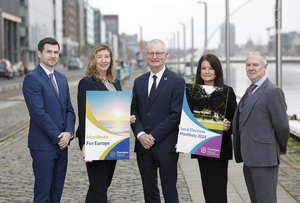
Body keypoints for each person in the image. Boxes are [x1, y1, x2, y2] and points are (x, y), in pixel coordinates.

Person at [76, 43, 135, 203]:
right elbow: (83, 114)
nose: (103, 60)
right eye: (99, 57)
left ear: (111, 59)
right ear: (93, 60)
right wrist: (84, 144)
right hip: (96, 141)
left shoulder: (115, 82)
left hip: (113, 140)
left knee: (101, 186)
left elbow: (111, 111)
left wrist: (124, 117)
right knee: (99, 187)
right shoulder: (87, 82)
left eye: (106, 57)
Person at [131, 39, 185, 203]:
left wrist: (152, 136)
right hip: (143, 147)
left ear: (165, 55)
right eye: (151, 53)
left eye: (159, 53)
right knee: (149, 191)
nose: (155, 56)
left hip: (166, 146)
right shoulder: (138, 81)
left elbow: (176, 115)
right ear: (146, 55)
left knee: (169, 190)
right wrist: (141, 135)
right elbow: (134, 111)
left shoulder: (177, 81)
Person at [22, 37, 76, 202]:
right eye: (49, 52)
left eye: (56, 52)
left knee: (56, 192)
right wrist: (58, 137)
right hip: (43, 146)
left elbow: (69, 109)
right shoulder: (32, 78)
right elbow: (38, 113)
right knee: (43, 193)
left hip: (62, 145)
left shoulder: (61, 78)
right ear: (39, 53)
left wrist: (68, 133)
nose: (53, 56)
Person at [232, 51, 290, 203]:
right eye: (248, 65)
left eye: (255, 65)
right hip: (249, 158)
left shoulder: (273, 91)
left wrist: (281, 148)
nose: (251, 68)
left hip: (265, 159)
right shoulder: (250, 90)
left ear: (265, 67)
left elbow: (282, 126)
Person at [191, 53, 237, 203]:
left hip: (219, 150)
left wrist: (228, 125)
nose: (207, 71)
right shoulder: (195, 93)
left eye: (211, 68)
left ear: (217, 70)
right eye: (203, 68)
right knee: (208, 191)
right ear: (199, 71)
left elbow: (235, 119)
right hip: (203, 148)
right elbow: (190, 120)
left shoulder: (227, 91)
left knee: (218, 192)